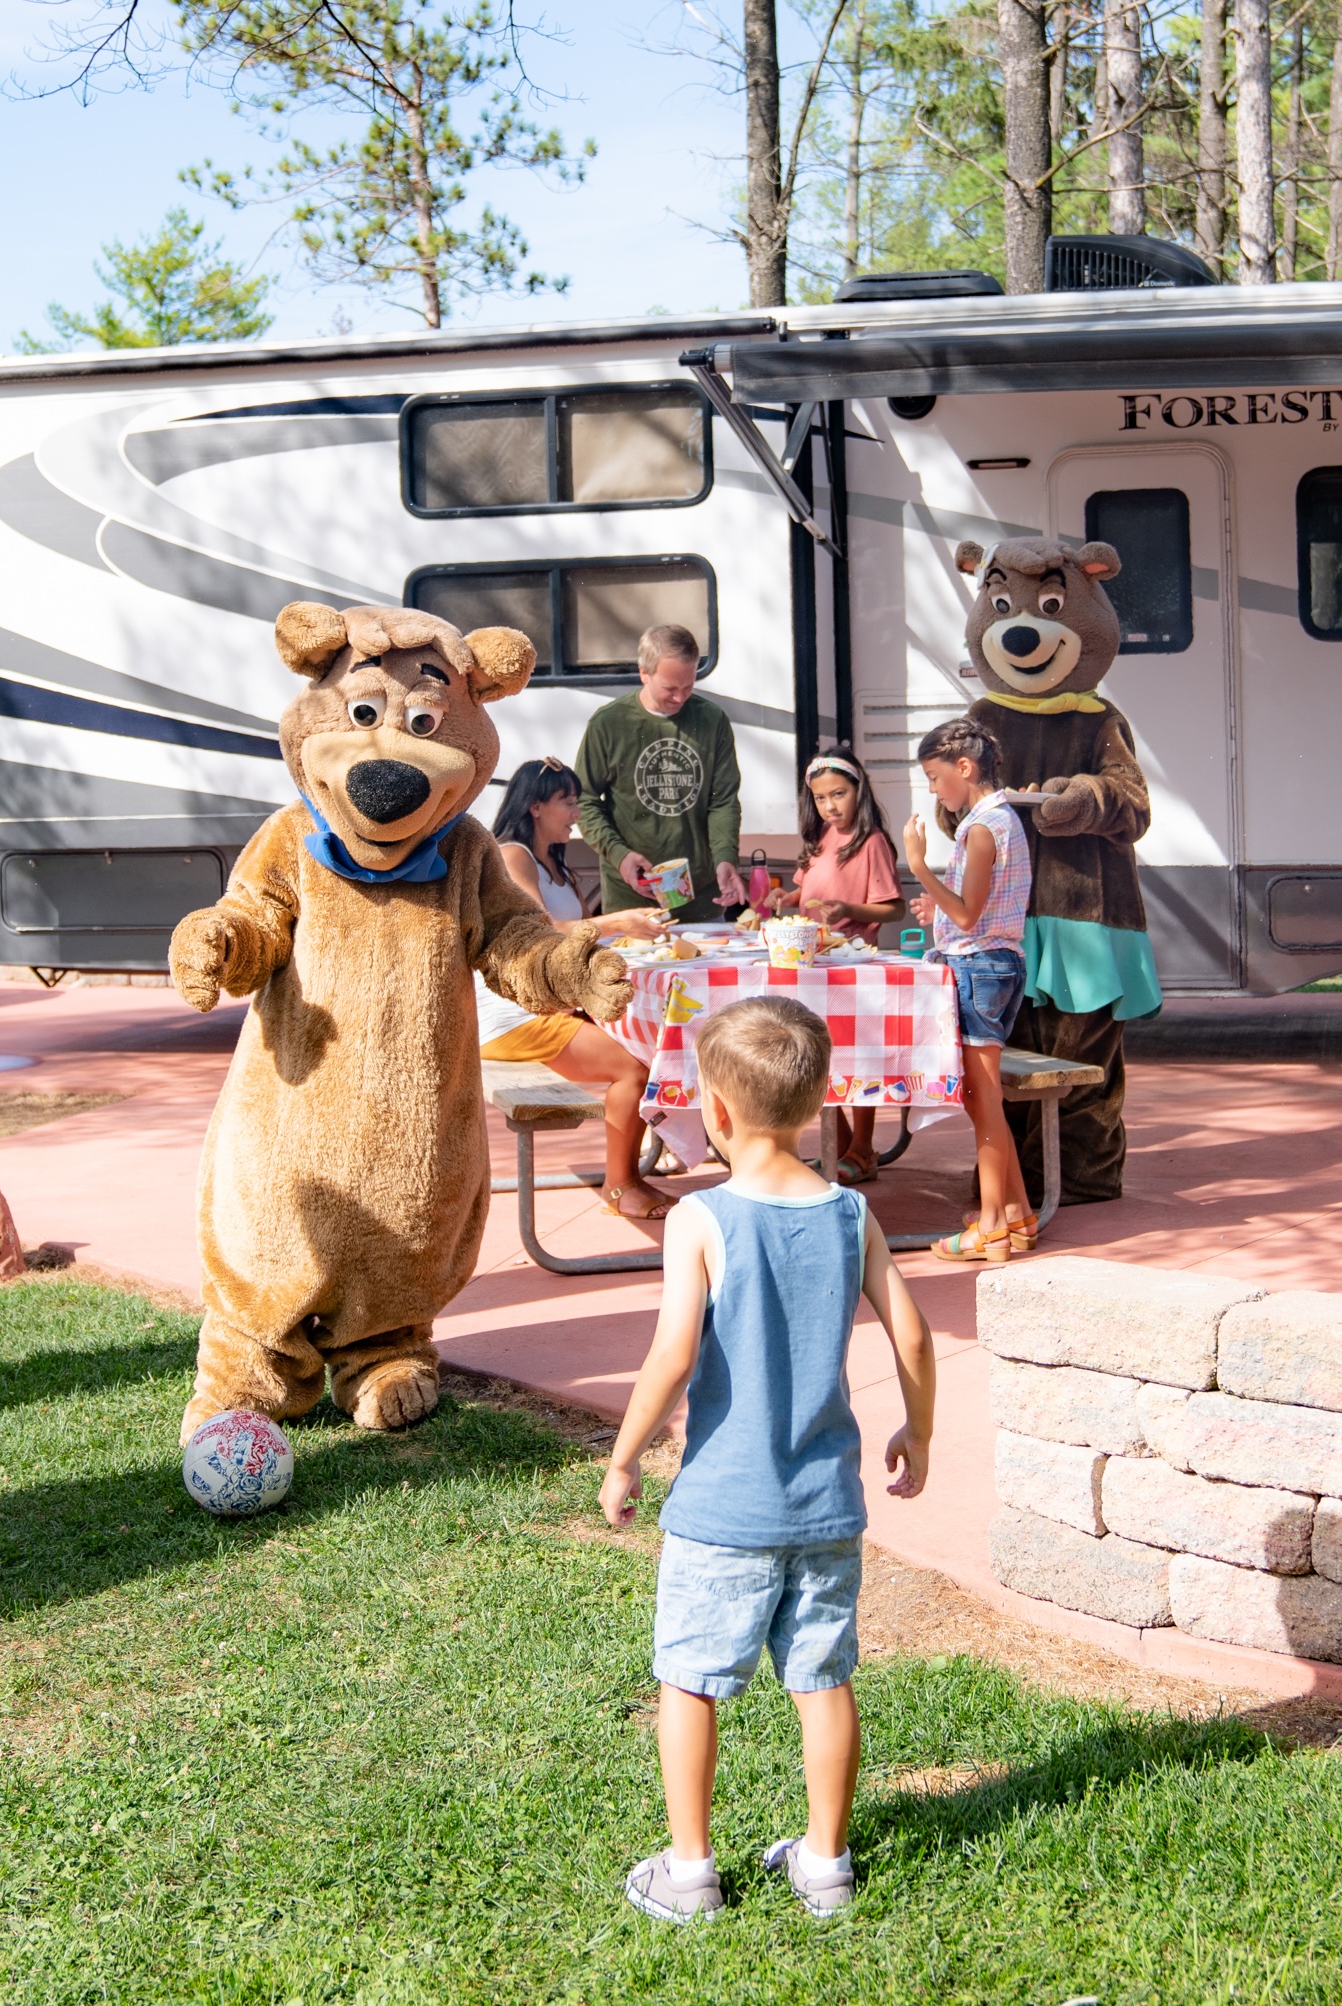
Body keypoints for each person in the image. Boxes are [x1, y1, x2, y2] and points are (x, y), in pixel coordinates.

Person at [597, 995, 935, 1924]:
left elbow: (672, 1355)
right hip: (825, 1505)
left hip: (722, 1508)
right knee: (822, 1680)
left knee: (689, 1681)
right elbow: (911, 1332)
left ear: (713, 1108)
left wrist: (623, 1458)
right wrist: (918, 1429)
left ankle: (689, 1872)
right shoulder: (851, 1212)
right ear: (819, 1099)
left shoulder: (699, 1218)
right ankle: (825, 1864)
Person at [475, 758, 676, 1221]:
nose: (577, 813)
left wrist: (632, 925)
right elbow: (542, 931)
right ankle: (620, 1186)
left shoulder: (555, 863)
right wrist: (617, 921)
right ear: (535, 806)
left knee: (652, 1041)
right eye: (568, 802)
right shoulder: (512, 855)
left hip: (550, 1005)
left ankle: (636, 1172)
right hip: (511, 1016)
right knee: (632, 1069)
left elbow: (583, 937)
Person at [901, 717, 1035, 1262]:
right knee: (987, 1102)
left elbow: (967, 913)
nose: (934, 790)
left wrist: (918, 865)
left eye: (935, 778)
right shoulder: (998, 820)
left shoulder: (982, 828)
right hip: (995, 965)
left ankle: (993, 1227)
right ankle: (1017, 1214)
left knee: (983, 1102)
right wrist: (939, 906)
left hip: (980, 969)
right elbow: (973, 907)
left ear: (965, 767)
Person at [787, 744, 904, 1184]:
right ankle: (841, 1144)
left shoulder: (871, 843)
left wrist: (848, 909)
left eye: (839, 794)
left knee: (856, 1058)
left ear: (859, 791)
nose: (830, 806)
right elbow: (807, 892)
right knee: (816, 1055)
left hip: (854, 969)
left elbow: (893, 907)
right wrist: (786, 898)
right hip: (813, 967)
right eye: (820, 798)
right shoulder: (821, 838)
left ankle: (863, 1148)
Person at [574, 625, 743, 924]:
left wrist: (725, 857)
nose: (680, 698)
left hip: (701, 902)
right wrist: (620, 855)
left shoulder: (712, 720)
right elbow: (583, 799)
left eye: (688, 686)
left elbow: (723, 801)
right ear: (644, 673)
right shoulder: (609, 723)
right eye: (670, 689)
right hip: (632, 903)